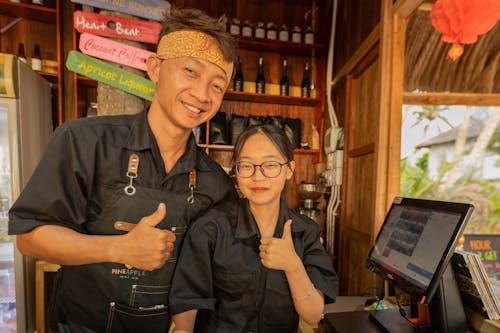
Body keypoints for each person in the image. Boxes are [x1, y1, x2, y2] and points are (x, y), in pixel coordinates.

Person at [8, 7, 237, 333]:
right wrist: (118, 248)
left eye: (217, 85)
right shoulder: (84, 142)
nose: (202, 94)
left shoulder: (216, 183)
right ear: (155, 68)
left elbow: (207, 268)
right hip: (82, 325)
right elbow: (30, 238)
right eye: (190, 71)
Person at [169, 124, 338, 333]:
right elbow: (187, 300)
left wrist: (293, 266)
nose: (258, 176)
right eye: (247, 166)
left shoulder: (306, 232)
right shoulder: (209, 229)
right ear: (236, 171)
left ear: (289, 169)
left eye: (270, 164)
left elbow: (313, 314)